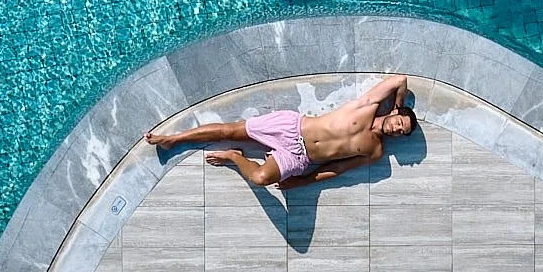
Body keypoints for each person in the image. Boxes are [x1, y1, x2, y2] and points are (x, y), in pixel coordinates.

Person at [145, 74, 415, 190]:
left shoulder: (375, 151)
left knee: (261, 178)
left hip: (300, 159)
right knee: (230, 129)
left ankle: (234, 156)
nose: (396, 130)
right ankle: (173, 139)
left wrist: (303, 182)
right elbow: (399, 80)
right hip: (290, 127)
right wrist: (399, 105)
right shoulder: (367, 107)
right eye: (400, 124)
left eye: (401, 133)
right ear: (394, 115)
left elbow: (338, 169)